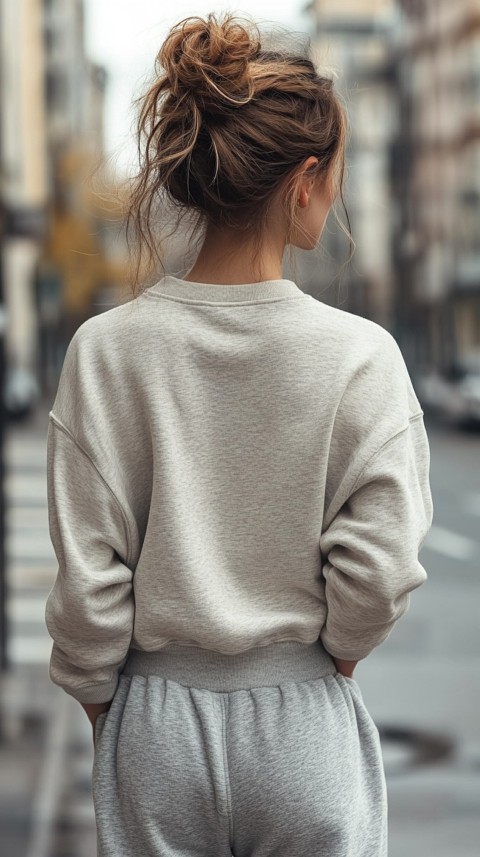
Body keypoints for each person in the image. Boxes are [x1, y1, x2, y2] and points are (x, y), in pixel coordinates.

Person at [44, 11, 433, 857]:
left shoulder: (105, 352)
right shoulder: (363, 357)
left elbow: (88, 577)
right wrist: (334, 658)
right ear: (304, 181)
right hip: (303, 720)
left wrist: (107, 705)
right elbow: (379, 564)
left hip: (156, 724)